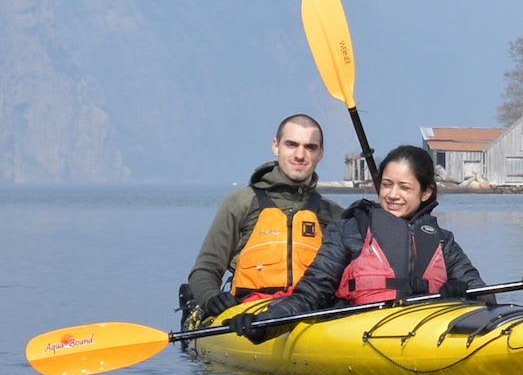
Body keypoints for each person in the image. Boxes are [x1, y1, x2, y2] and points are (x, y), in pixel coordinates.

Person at [228, 144, 487, 342]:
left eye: (404, 188)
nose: (392, 195)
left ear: (426, 192)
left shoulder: (442, 241)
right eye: (386, 185)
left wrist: (463, 297)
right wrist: (263, 324)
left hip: (427, 332)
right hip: (360, 333)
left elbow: (485, 296)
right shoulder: (350, 230)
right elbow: (311, 294)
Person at [182, 114, 344, 328]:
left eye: (310, 147)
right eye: (291, 144)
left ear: (320, 154)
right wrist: (212, 297)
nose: (300, 154)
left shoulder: (334, 214)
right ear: (276, 146)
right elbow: (205, 268)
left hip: (308, 312)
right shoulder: (241, 203)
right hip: (248, 314)